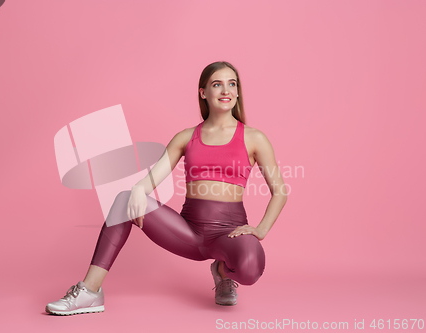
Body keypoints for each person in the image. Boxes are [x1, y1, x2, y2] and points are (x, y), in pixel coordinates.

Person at [45, 61, 288, 315]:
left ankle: (221, 270)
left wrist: (260, 230)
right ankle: (90, 291)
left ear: (237, 93)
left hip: (229, 234)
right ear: (203, 92)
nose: (226, 90)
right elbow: (152, 179)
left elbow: (280, 191)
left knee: (251, 267)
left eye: (232, 84)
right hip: (187, 232)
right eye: (217, 84)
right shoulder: (185, 138)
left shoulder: (254, 138)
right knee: (124, 200)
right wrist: (139, 188)